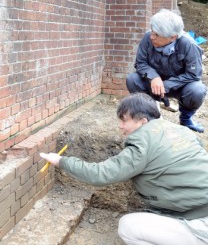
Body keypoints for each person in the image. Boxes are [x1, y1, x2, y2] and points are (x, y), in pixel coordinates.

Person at [40, 93, 208, 245]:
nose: (120, 126)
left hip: (200, 222)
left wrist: (61, 161)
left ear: (143, 121)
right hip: (198, 208)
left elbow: (99, 174)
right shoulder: (181, 131)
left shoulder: (142, 143)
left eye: (124, 120)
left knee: (128, 227)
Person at [126, 9, 207, 133]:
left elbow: (193, 75)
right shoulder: (148, 37)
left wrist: (165, 85)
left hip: (179, 86)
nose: (152, 37)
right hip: (153, 84)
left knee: (197, 90)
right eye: (152, 31)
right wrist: (154, 77)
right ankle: (152, 118)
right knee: (132, 79)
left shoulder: (189, 45)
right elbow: (140, 63)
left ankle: (186, 119)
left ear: (172, 37)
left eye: (157, 34)